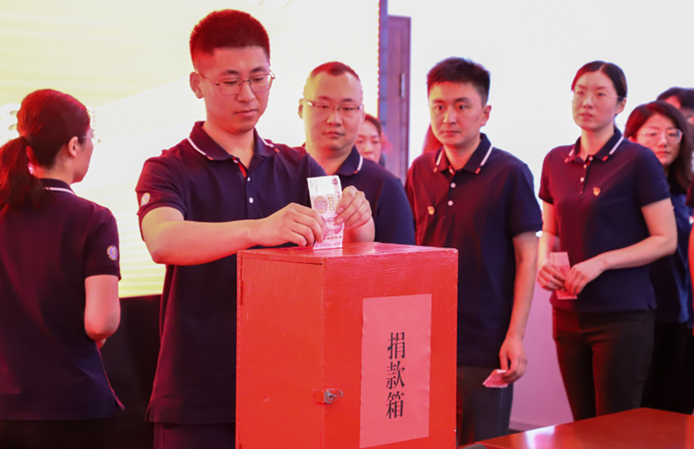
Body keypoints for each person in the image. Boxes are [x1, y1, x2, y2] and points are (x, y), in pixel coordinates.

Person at [134, 10, 373, 449]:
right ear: (197, 84)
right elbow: (164, 240)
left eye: (259, 78)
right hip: (197, 395)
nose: (247, 94)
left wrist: (360, 220)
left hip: (288, 387)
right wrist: (258, 230)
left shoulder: (297, 165)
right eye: (230, 81)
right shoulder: (169, 168)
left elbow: (346, 256)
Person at [0, 89, 122, 448]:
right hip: (72, 412)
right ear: (73, 145)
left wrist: (9, 318)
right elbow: (100, 323)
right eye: (92, 139)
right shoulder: (94, 219)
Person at [406, 57, 542, 442]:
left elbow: (527, 258)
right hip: (425, 337)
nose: (448, 117)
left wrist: (515, 335)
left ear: (485, 114)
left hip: (486, 341)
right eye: (438, 106)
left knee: (482, 440)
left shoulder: (510, 173)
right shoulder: (420, 171)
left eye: (461, 106)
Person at [536, 61, 677, 421]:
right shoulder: (555, 160)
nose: (587, 102)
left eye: (600, 94)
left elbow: (665, 239)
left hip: (622, 315)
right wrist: (543, 262)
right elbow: (550, 231)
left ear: (620, 105)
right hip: (567, 313)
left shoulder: (638, 160)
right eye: (580, 92)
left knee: (616, 427)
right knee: (582, 426)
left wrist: (602, 262)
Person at [624, 101, 694, 412]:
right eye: (652, 133)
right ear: (631, 139)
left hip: (681, 316)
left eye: (672, 133)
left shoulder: (689, 194)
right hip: (633, 314)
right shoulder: (622, 193)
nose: (663, 141)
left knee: (673, 413)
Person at [300, 62, 414, 245]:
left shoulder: (385, 186)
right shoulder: (277, 174)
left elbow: (403, 261)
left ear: (361, 116)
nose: (334, 119)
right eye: (323, 106)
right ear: (301, 109)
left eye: (347, 108)